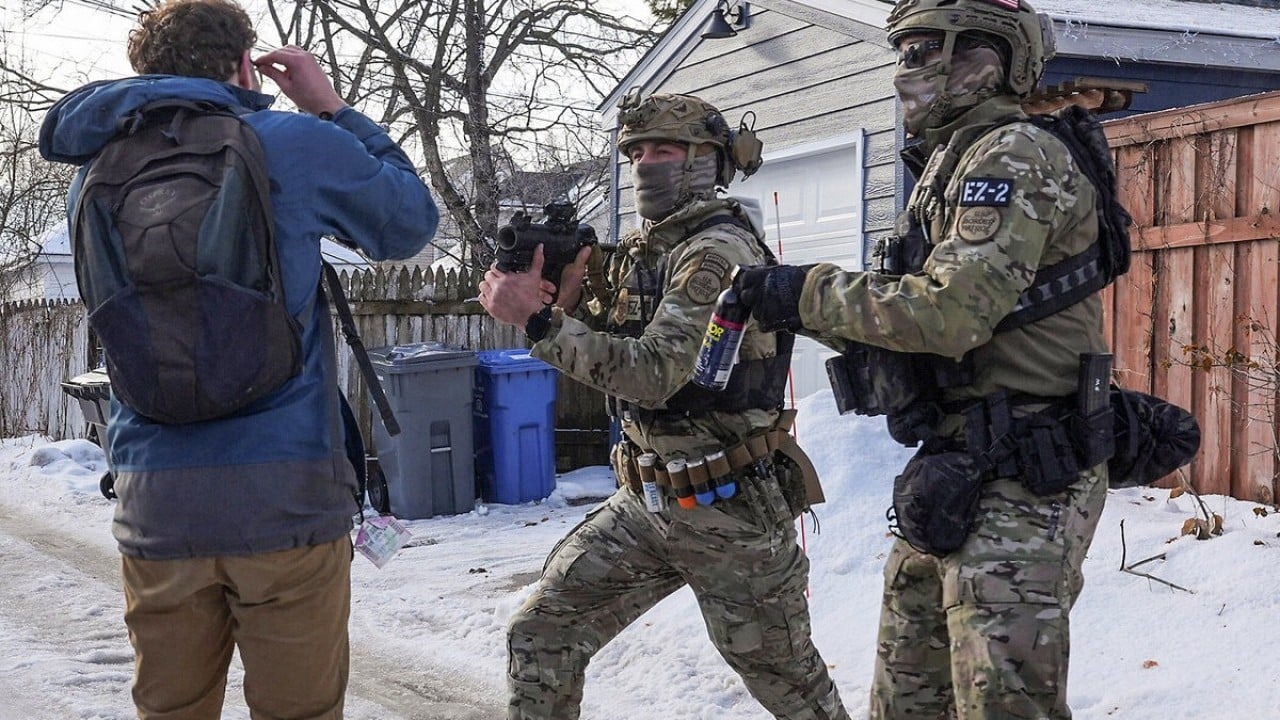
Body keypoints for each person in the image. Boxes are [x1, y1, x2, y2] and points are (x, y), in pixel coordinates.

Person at [38, 0, 438, 716]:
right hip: (286, 493)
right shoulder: (291, 143)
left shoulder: (94, 172)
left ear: (144, 73)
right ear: (244, 65)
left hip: (156, 499)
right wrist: (334, 109)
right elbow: (409, 223)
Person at [731, 0, 1116, 717]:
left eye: (929, 52)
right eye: (903, 53)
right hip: (955, 468)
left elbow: (950, 313)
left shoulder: (1014, 153)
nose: (910, 70)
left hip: (1029, 475)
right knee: (907, 697)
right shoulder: (949, 162)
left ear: (989, 60)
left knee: (1002, 703)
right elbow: (908, 311)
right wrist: (793, 305)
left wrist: (804, 291)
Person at [478, 91, 849, 720]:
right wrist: (571, 305)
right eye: (637, 152)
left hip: (729, 511)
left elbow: (655, 376)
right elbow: (620, 349)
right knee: (542, 632)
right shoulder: (648, 250)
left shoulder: (716, 253)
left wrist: (541, 322)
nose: (648, 163)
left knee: (791, 687)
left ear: (707, 158)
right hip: (647, 504)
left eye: (666, 150)